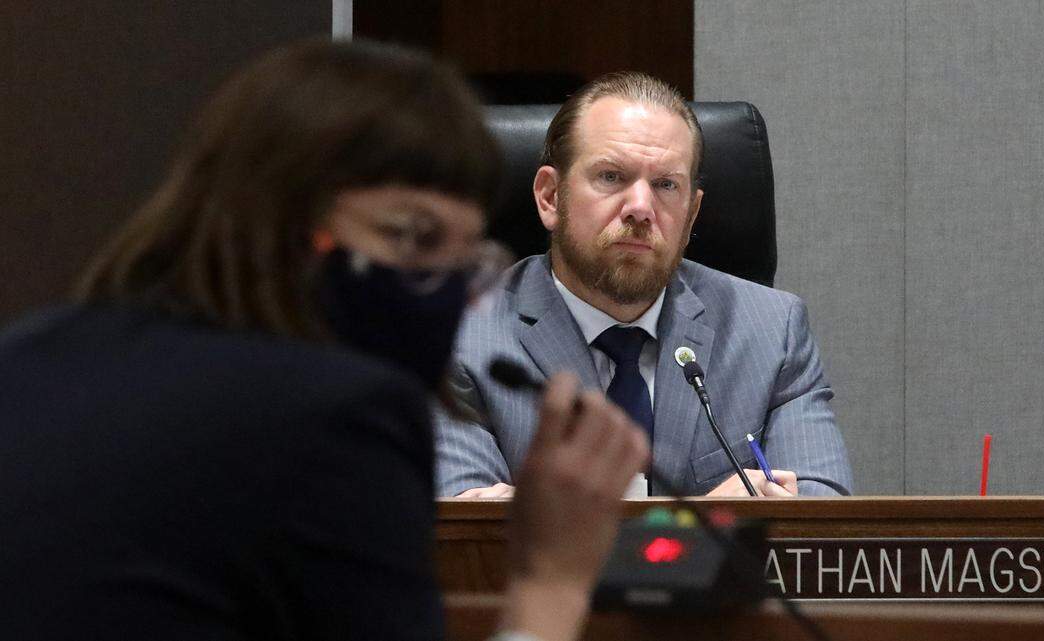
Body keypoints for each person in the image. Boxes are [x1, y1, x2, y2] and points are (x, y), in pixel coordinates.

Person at [0, 39, 648, 641]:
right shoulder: (337, 416)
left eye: (464, 257)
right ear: (278, 218)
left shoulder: (24, 356)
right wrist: (551, 580)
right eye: (414, 238)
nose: (446, 292)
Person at [435, 72, 853, 498]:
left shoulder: (771, 332)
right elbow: (466, 542)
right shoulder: (458, 336)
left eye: (665, 185)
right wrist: (702, 530)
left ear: (690, 215)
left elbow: (823, 519)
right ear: (550, 197)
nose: (640, 208)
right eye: (612, 177)